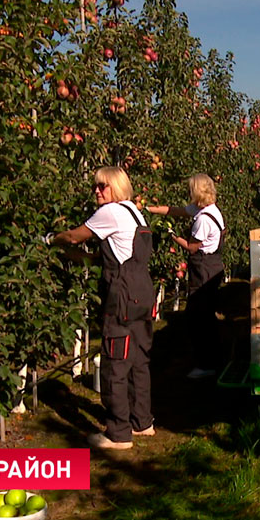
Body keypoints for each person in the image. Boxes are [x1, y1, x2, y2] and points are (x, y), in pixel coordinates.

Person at [50, 166, 156, 450]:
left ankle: (118, 433)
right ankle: (142, 422)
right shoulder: (134, 212)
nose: (97, 191)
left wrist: (52, 240)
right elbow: (110, 255)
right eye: (96, 186)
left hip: (122, 297)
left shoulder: (109, 212)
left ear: (117, 188)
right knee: (138, 361)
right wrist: (77, 258)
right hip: (143, 293)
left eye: (103, 186)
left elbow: (74, 236)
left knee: (115, 363)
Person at [147, 173, 225, 379]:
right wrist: (148, 209)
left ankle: (207, 363)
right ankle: (213, 360)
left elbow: (191, 247)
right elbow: (177, 211)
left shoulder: (204, 220)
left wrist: (171, 234)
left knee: (199, 316)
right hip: (212, 265)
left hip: (205, 268)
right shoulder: (208, 209)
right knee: (205, 315)